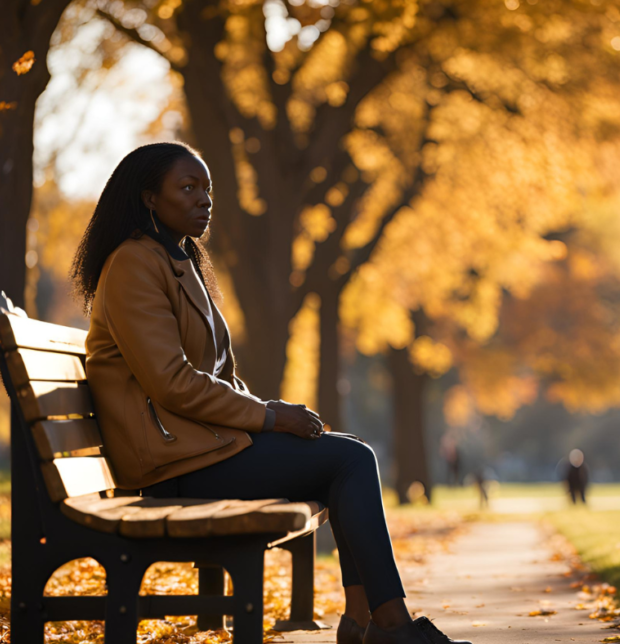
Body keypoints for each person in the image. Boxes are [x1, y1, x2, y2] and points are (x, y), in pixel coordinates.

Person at [71, 142, 470, 644]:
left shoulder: (178, 261)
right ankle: (387, 626)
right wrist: (269, 416)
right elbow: (171, 381)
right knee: (350, 461)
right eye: (188, 188)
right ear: (150, 198)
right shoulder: (134, 264)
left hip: (199, 448)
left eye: (207, 189)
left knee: (343, 462)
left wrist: (268, 416)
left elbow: (213, 375)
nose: (204, 200)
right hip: (170, 467)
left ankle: (367, 621)